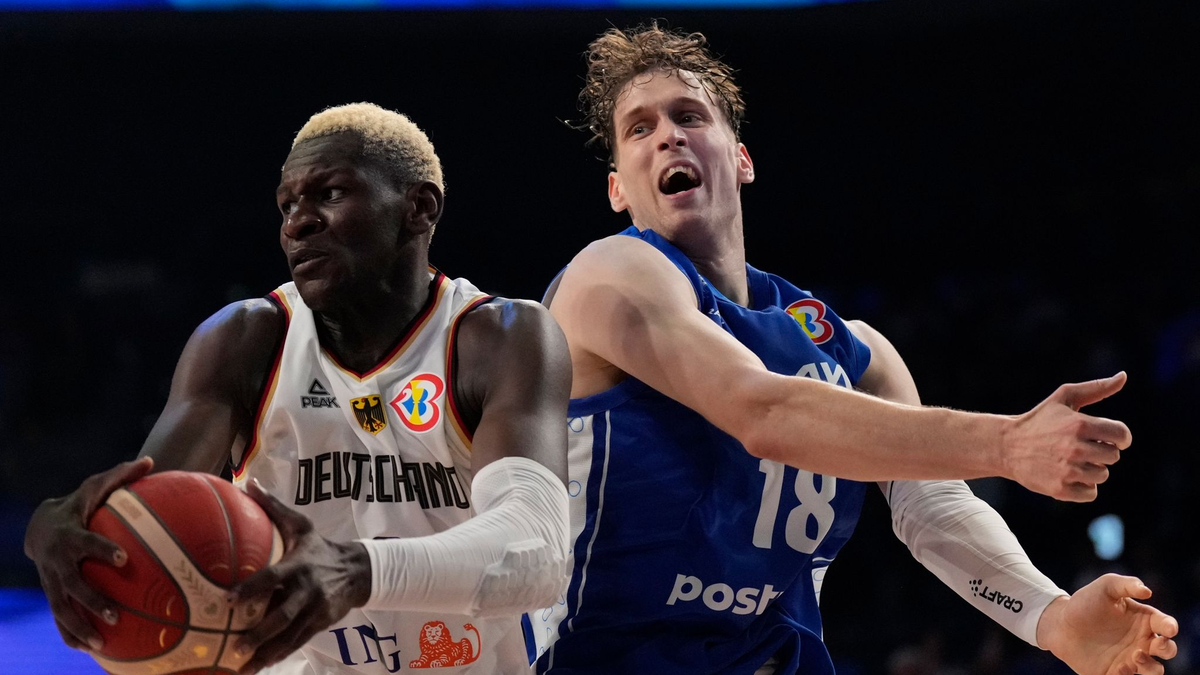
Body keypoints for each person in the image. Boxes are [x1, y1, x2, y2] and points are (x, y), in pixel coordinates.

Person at [532, 24, 1178, 675]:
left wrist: (1050, 615)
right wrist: (1008, 443)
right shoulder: (607, 276)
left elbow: (935, 507)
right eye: (639, 128)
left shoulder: (853, 349)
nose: (668, 134)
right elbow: (763, 413)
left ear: (742, 158)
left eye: (689, 116)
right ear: (618, 189)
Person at [24, 102, 573, 675]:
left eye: (330, 194)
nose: (297, 222)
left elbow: (536, 552)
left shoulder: (502, 337)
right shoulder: (242, 341)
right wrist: (60, 529)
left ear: (418, 208)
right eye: (287, 205)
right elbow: (147, 523)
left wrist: (355, 571)